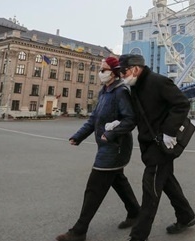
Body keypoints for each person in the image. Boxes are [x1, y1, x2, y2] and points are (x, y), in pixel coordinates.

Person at [56, 56, 140, 241]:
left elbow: (130, 119)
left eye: (103, 70)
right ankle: (135, 212)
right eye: (100, 70)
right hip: (105, 144)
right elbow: (94, 119)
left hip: (115, 147)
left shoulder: (121, 91)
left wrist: (111, 134)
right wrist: (78, 136)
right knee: (118, 180)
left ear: (114, 72)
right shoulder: (104, 91)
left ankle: (79, 231)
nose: (100, 73)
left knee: (94, 187)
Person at [118, 54, 195, 241]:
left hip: (161, 145)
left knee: (150, 189)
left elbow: (181, 103)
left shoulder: (159, 82)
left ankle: (138, 236)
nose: (122, 75)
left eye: (124, 71)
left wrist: (169, 130)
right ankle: (186, 216)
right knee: (167, 181)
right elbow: (141, 115)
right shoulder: (135, 87)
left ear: (136, 68)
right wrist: (118, 123)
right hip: (150, 144)